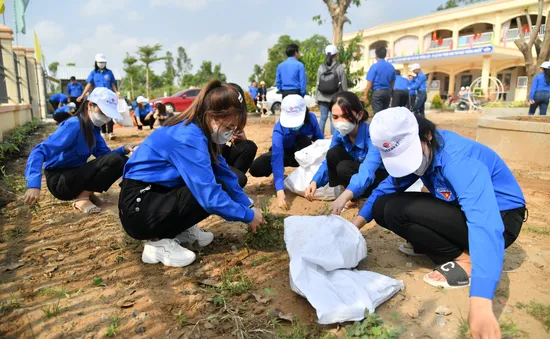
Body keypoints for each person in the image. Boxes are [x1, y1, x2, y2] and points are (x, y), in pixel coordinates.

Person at [352, 107, 526, 339]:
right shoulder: (425, 153)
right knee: (384, 207)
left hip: (502, 219)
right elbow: (387, 188)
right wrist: (356, 224)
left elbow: (484, 221)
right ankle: (451, 248)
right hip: (460, 210)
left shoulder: (457, 159)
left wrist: (481, 303)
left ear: (428, 136)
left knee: (398, 208)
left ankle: (468, 259)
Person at [118, 79, 266, 267]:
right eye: (229, 128)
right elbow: (209, 197)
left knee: (229, 180)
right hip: (139, 209)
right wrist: (247, 216)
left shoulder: (203, 131)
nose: (231, 134)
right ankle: (157, 242)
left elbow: (225, 173)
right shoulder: (189, 137)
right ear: (213, 116)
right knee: (210, 189)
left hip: (156, 196)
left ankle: (178, 230)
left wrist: (248, 205)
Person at [23, 88, 135, 214]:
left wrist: (124, 149)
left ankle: (86, 194)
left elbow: (105, 156)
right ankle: (82, 198)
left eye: (108, 114)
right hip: (60, 181)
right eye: (102, 111)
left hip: (75, 177)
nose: (105, 117)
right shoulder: (74, 125)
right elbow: (39, 151)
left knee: (121, 160)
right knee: (115, 159)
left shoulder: (94, 129)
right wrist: (33, 184)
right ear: (90, 105)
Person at [305, 91, 387, 213]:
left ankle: (354, 195)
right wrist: (315, 182)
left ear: (359, 115)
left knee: (343, 167)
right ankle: (351, 194)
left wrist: (344, 197)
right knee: (333, 154)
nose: (340, 122)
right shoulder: (340, 133)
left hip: (376, 177)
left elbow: (368, 171)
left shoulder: (373, 136)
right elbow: (328, 161)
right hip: (356, 171)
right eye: (335, 117)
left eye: (345, 116)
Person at [249, 95, 324, 209]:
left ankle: (306, 177)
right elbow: (277, 157)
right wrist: (280, 190)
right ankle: (278, 174)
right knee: (256, 167)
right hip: (283, 155)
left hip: (301, 155)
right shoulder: (279, 128)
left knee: (303, 139)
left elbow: (319, 141)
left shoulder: (311, 119)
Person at [78, 54, 118, 139]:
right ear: (96, 62)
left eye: (103, 62)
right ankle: (103, 132)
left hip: (108, 97)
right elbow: (89, 84)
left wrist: (117, 93)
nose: (102, 64)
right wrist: (82, 95)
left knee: (109, 114)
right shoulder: (93, 73)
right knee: (100, 114)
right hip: (98, 97)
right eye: (100, 62)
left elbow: (113, 84)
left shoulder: (109, 72)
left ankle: (110, 132)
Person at [316, 44, 348, 135]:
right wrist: (345, 97)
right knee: (333, 118)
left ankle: (319, 137)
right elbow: (344, 84)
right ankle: (333, 138)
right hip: (335, 97)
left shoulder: (321, 67)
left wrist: (317, 98)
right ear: (336, 54)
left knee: (323, 118)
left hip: (322, 97)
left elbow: (317, 83)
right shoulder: (340, 67)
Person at [363, 46, 395, 114]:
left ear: (376, 55)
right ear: (385, 55)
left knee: (377, 115)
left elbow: (370, 82)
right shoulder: (391, 67)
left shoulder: (374, 66)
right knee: (385, 114)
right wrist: (390, 91)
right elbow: (392, 82)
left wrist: (365, 94)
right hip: (387, 92)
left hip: (377, 92)